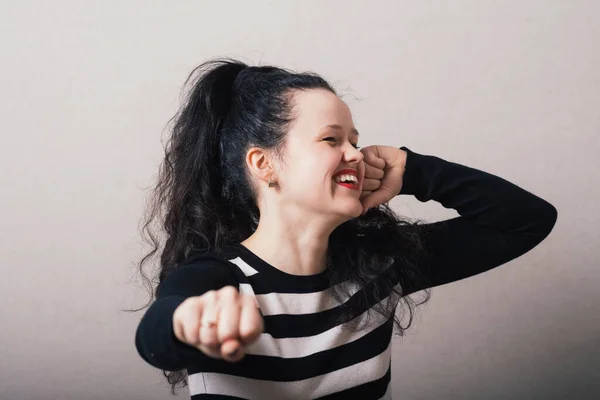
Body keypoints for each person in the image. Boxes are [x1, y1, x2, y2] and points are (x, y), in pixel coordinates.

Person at [133, 57, 558, 399]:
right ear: (263, 164)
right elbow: (157, 338)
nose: (355, 154)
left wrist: (411, 170)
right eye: (331, 140)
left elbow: (526, 220)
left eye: (355, 139)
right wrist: (188, 322)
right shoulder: (216, 279)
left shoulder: (378, 271)